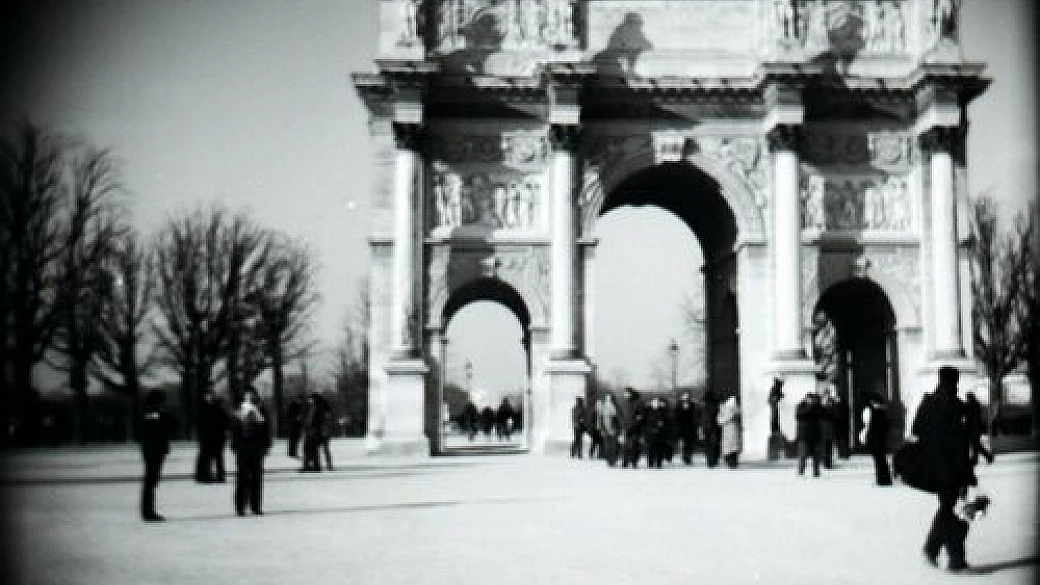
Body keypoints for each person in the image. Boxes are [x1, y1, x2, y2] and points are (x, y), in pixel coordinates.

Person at [913, 366, 975, 571]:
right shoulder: (958, 407)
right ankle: (955, 559)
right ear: (955, 382)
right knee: (951, 510)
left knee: (948, 509)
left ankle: (933, 549)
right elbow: (963, 440)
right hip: (954, 466)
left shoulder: (928, 403)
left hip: (933, 465)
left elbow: (917, 429)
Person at [231, 388, 271, 516]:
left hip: (256, 447)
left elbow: (266, 428)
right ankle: (240, 506)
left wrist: (266, 445)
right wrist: (235, 444)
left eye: (251, 394)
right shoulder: (239, 410)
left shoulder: (260, 409)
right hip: (243, 447)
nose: (249, 396)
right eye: (247, 394)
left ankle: (255, 506)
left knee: (256, 478)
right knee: (242, 478)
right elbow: (235, 429)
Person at [137, 390, 176, 522]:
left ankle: (148, 510)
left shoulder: (147, 412)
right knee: (151, 481)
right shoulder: (153, 413)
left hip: (151, 448)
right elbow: (167, 424)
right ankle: (148, 511)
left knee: (151, 481)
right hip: (154, 449)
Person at [195, 390, 229, 483]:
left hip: (215, 437)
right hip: (210, 437)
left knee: (216, 458)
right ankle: (208, 476)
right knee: (210, 457)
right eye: (208, 396)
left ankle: (216, 476)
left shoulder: (215, 409)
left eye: (210, 396)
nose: (209, 398)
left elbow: (226, 422)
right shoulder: (209, 409)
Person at [860, 392, 892, 486]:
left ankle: (882, 479)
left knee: (878, 460)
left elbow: (867, 424)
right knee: (881, 459)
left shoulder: (872, 411)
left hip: (874, 438)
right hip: (880, 438)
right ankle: (884, 479)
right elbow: (886, 425)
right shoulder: (883, 411)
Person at [795, 391, 824, 477]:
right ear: (806, 398)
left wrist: (818, 405)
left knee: (817, 455)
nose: (812, 400)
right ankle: (801, 472)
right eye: (810, 399)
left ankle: (816, 472)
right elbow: (800, 415)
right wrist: (810, 406)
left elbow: (822, 414)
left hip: (816, 435)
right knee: (803, 455)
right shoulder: (801, 406)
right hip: (804, 435)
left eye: (813, 399)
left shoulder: (818, 407)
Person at [964, 392, 994, 465]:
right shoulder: (975, 405)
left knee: (976, 444)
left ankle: (985, 457)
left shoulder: (971, 405)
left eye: (967, 397)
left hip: (973, 428)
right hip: (975, 428)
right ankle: (980, 458)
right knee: (976, 444)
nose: (967, 399)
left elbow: (969, 416)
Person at [621, 388, 647, 468]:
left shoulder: (639, 402)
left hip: (636, 428)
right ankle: (625, 462)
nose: (625, 395)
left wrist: (636, 422)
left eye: (626, 393)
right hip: (626, 427)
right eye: (625, 393)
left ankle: (634, 462)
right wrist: (623, 426)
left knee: (634, 446)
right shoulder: (625, 403)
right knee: (625, 446)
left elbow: (641, 416)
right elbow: (623, 416)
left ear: (631, 393)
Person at [717, 395, 742, 469]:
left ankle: (733, 463)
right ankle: (732, 462)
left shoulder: (736, 411)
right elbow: (719, 421)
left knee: (733, 449)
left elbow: (719, 421)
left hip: (732, 432)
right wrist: (729, 417)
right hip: (728, 432)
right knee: (730, 448)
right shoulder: (724, 410)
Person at [674, 392, 699, 465]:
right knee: (684, 444)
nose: (686, 398)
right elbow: (676, 416)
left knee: (689, 444)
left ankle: (688, 457)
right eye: (684, 397)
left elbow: (695, 415)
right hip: (682, 427)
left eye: (687, 397)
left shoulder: (692, 405)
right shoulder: (678, 406)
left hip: (690, 427)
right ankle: (685, 457)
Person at [597, 393, 622, 466]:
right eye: (607, 398)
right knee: (607, 447)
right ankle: (609, 461)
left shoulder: (616, 408)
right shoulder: (603, 408)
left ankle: (613, 460)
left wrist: (618, 429)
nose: (608, 400)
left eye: (610, 398)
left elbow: (619, 419)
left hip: (614, 431)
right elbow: (600, 420)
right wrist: (602, 429)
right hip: (605, 431)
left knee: (614, 446)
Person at [646, 397, 669, 469]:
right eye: (654, 403)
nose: (655, 404)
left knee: (660, 449)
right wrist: (651, 429)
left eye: (657, 403)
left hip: (660, 434)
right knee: (650, 449)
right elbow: (646, 422)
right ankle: (650, 463)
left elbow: (666, 421)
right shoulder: (648, 411)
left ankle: (659, 463)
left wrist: (661, 426)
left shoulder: (663, 411)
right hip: (650, 433)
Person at [701, 390, 722, 468]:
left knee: (708, 444)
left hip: (706, 427)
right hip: (714, 427)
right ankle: (713, 460)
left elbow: (698, 417)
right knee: (714, 444)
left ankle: (710, 461)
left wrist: (699, 426)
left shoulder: (702, 406)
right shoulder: (716, 406)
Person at [284, 394, 305, 458]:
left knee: (296, 439)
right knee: (293, 439)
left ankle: (293, 452)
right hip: (293, 424)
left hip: (297, 424)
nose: (301, 401)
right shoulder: (293, 405)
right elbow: (288, 415)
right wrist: (295, 418)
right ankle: (291, 452)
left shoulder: (300, 406)